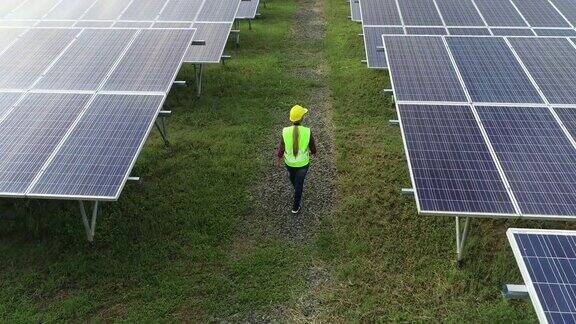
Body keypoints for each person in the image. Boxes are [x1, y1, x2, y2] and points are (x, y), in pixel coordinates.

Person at [277, 105, 317, 214]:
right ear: (302, 118)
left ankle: (297, 189)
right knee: (299, 184)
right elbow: (312, 145)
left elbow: (282, 146)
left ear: (290, 119)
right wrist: (314, 152)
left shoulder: (285, 131)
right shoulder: (307, 131)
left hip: (289, 163)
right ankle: (295, 207)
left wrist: (279, 156)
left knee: (293, 178)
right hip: (303, 164)